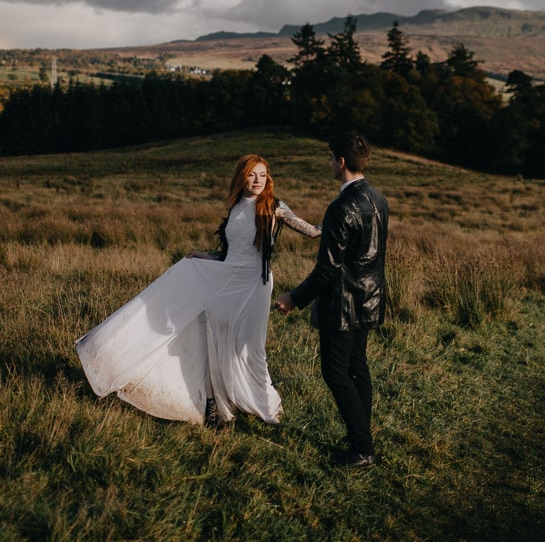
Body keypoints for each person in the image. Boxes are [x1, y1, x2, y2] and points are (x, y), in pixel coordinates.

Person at [76, 154, 320, 427]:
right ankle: (216, 406)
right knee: (217, 342)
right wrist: (203, 256)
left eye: (263, 175)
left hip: (254, 283)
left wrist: (338, 218)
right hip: (224, 280)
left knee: (251, 347)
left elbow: (311, 231)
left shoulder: (275, 207)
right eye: (252, 175)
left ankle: (264, 406)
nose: (257, 181)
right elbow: (229, 253)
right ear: (242, 177)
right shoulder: (236, 207)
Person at [275, 131, 389, 468]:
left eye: (329, 158)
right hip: (370, 297)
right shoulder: (377, 197)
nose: (329, 163)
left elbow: (327, 270)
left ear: (340, 162)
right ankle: (360, 437)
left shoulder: (341, 207)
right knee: (357, 368)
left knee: (336, 373)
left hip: (344, 303)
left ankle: (362, 449)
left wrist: (294, 297)